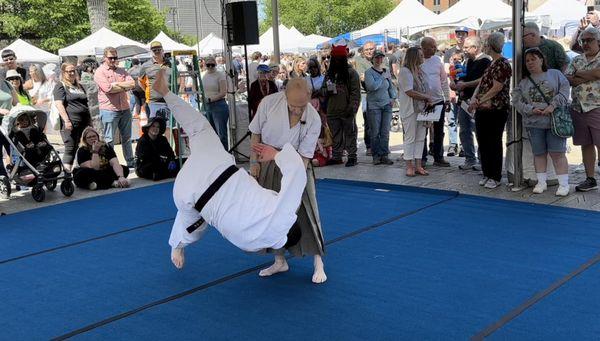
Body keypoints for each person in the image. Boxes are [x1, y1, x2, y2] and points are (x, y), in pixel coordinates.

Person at [150, 70, 308, 270]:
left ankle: (165, 92)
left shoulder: (285, 210)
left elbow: (296, 172)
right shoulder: (254, 245)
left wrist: (276, 155)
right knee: (196, 221)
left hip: (217, 163)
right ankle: (177, 245)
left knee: (199, 127)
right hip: (191, 190)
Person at [248, 78, 326, 283]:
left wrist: (279, 157)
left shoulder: (314, 119)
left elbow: (304, 159)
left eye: (301, 106)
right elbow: (255, 133)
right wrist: (254, 164)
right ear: (284, 95)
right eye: (293, 106)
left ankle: (318, 262)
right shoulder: (268, 103)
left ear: (309, 97)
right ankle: (279, 259)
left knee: (307, 212)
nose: (297, 111)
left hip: (297, 164)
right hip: (267, 159)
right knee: (272, 213)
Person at [512, 47, 571, 197]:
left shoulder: (555, 74)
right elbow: (516, 100)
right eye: (527, 61)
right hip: (534, 123)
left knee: (558, 153)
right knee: (538, 153)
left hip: (554, 122)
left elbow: (564, 90)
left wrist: (553, 105)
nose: (530, 63)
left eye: (533, 59)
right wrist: (530, 109)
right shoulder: (524, 82)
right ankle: (541, 181)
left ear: (541, 59)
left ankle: (564, 184)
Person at [468, 32, 512, 189]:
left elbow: (497, 87)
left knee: (493, 141)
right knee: (483, 141)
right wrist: (475, 99)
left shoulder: (503, 63)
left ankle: (495, 175)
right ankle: (487, 173)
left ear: (491, 45)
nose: (484, 46)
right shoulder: (491, 63)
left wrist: (480, 99)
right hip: (483, 108)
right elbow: (483, 83)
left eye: (486, 44)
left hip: (496, 109)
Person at [565, 26, 600, 192]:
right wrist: (592, 74)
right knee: (585, 144)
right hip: (578, 108)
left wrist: (580, 74)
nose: (585, 43)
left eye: (589, 40)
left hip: (597, 107)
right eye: (583, 40)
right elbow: (568, 79)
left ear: (598, 41)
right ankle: (590, 179)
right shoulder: (577, 60)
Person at [451, 37, 492, 171]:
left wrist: (465, 85)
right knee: (464, 130)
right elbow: (465, 76)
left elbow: (483, 80)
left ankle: (482, 160)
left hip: (477, 101)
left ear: (475, 48)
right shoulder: (469, 61)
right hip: (464, 100)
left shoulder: (485, 60)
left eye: (467, 47)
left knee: (479, 131)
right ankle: (470, 158)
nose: (465, 50)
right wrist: (456, 83)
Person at [94, 47, 136, 168]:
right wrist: (123, 86)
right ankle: (110, 163)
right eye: (110, 58)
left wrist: (116, 85)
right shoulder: (99, 72)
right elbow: (108, 89)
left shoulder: (122, 70)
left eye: (115, 57)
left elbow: (132, 84)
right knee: (109, 139)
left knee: (127, 138)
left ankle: (130, 162)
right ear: (104, 58)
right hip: (109, 109)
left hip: (124, 108)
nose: (113, 60)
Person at [321, 45, 361, 167]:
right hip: (332, 110)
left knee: (350, 134)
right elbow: (322, 90)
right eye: (335, 58)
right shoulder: (329, 74)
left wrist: (352, 108)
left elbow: (355, 93)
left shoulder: (351, 73)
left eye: (339, 58)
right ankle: (337, 156)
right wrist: (327, 90)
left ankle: (352, 156)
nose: (337, 61)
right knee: (335, 135)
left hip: (346, 110)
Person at [398, 47, 432, 177]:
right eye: (421, 55)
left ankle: (418, 165)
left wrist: (429, 99)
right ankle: (409, 165)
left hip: (422, 109)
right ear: (414, 57)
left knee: (421, 138)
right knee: (410, 137)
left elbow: (427, 87)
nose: (423, 57)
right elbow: (409, 91)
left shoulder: (421, 71)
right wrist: (426, 97)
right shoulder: (405, 71)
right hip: (411, 109)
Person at [54, 63, 92, 172]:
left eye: (73, 71)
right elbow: (59, 104)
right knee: (70, 148)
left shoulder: (79, 86)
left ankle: (81, 171)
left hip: (84, 123)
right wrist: (66, 120)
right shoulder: (60, 85)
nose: (71, 73)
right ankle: (67, 174)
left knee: (84, 148)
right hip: (70, 123)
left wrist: (90, 122)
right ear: (63, 73)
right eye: (68, 71)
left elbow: (86, 105)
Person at [421, 37, 451, 167]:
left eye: (435, 46)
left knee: (439, 131)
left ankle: (438, 157)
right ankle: (422, 158)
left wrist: (447, 98)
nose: (435, 48)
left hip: (438, 100)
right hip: (424, 101)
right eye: (432, 46)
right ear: (424, 47)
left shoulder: (438, 60)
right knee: (423, 131)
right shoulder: (418, 61)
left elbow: (444, 80)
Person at [364, 50, 397, 165]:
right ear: (372, 59)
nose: (379, 60)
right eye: (377, 58)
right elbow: (372, 87)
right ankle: (376, 155)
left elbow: (390, 87)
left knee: (385, 132)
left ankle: (384, 154)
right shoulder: (369, 73)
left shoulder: (386, 71)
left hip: (386, 104)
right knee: (375, 132)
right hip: (374, 106)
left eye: (381, 58)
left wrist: (393, 97)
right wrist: (382, 77)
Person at [353, 41, 377, 156]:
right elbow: (362, 78)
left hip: (379, 94)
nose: (369, 51)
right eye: (367, 49)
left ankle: (379, 145)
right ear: (363, 50)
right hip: (366, 94)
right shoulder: (359, 61)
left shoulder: (380, 59)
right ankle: (369, 146)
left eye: (371, 49)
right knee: (368, 120)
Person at [201, 56, 229, 149]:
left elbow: (223, 92)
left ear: (215, 64)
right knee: (210, 134)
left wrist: (210, 99)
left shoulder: (220, 74)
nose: (210, 66)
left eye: (212, 64)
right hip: (206, 106)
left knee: (221, 134)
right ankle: (215, 156)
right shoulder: (203, 75)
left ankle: (225, 156)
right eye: (208, 64)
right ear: (205, 64)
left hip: (219, 106)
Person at [0, 71, 18, 177]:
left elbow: (16, 102)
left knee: (14, 150)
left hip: (8, 122)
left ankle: (17, 175)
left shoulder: (7, 84)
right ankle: (2, 178)